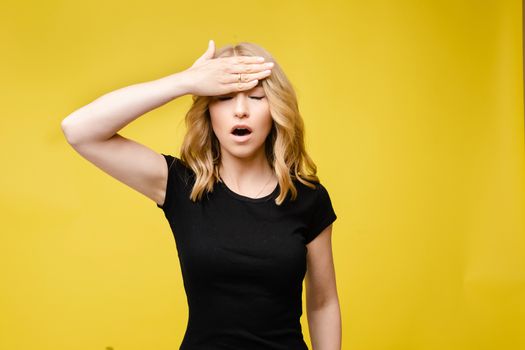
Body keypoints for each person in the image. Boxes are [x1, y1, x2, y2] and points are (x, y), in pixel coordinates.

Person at [61, 40, 341, 350]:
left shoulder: (308, 198)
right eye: (224, 97)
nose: (240, 110)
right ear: (208, 112)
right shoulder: (182, 185)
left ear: (275, 109)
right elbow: (78, 129)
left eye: (256, 97)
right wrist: (184, 82)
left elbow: (323, 302)